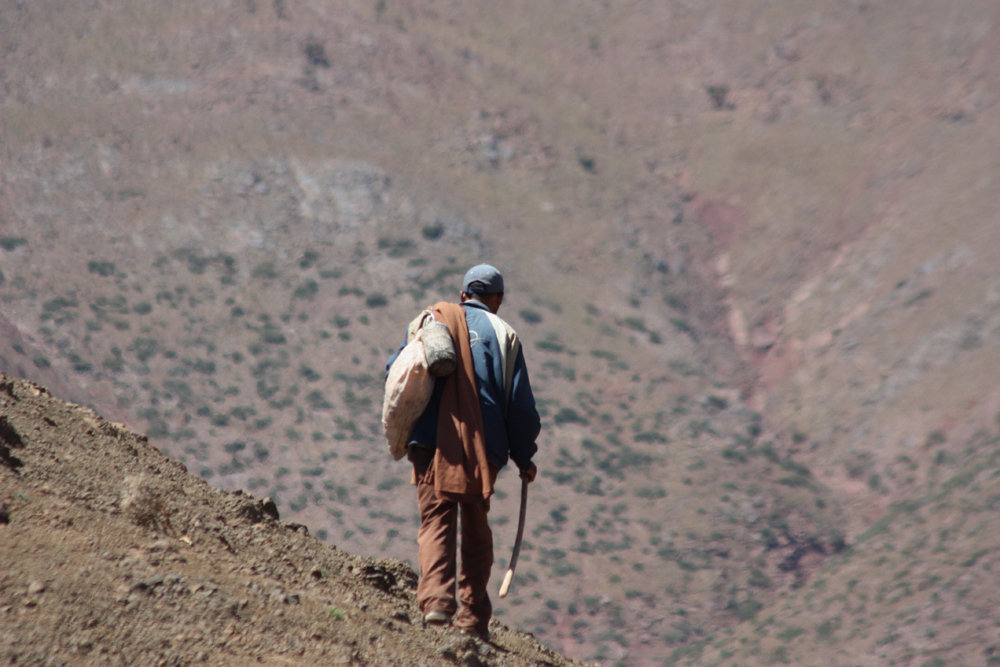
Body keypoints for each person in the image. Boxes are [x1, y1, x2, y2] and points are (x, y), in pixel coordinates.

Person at [384, 263, 540, 640]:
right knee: (474, 525)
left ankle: (437, 603)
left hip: (429, 441)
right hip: (482, 446)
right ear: (497, 299)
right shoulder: (505, 334)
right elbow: (519, 406)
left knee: (436, 518)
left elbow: (396, 369)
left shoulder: (426, 321)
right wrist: (524, 456)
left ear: (463, 294)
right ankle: (472, 618)